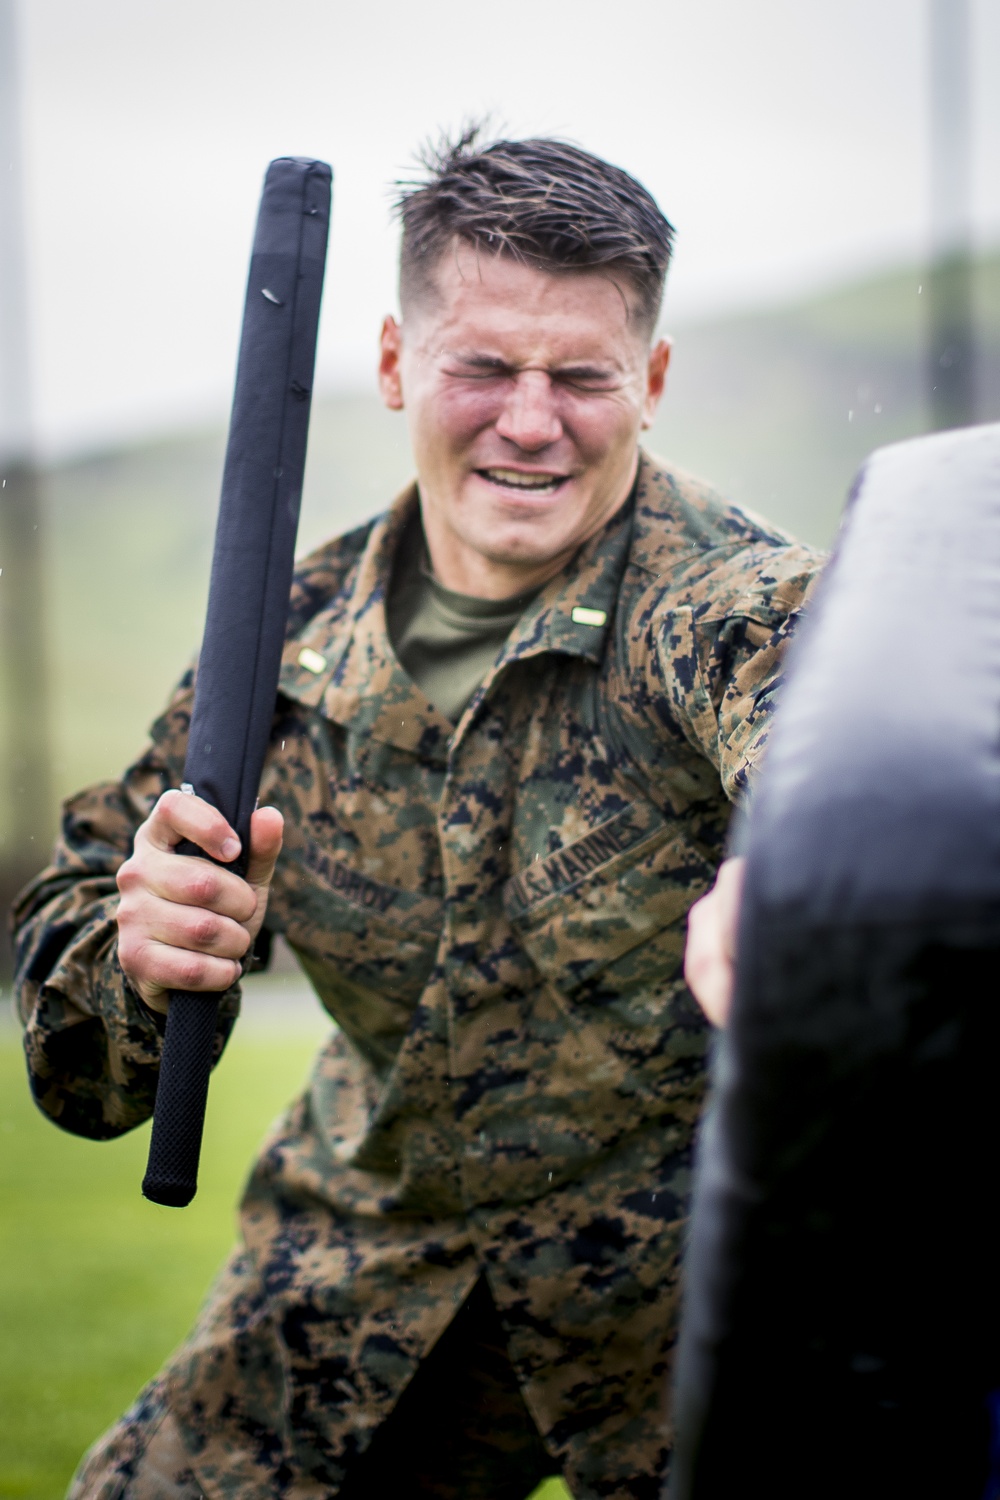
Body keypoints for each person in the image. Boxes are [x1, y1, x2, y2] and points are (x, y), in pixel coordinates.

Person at [12, 128, 823, 1500]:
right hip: (369, 1270)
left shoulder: (732, 604)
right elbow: (77, 1059)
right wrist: (141, 956)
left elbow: (815, 736)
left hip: (709, 1289)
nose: (529, 419)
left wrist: (811, 859)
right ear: (394, 365)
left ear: (654, 382)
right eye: (483, 368)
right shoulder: (271, 651)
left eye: (581, 376)